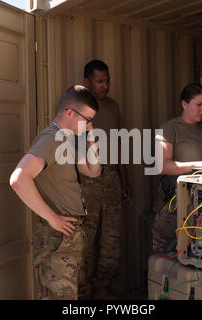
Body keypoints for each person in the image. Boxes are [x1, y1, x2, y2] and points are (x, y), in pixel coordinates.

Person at [9, 85, 101, 300]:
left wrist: (90, 138)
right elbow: (18, 179)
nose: (89, 124)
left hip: (68, 237)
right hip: (57, 238)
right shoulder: (51, 139)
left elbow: (93, 171)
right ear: (69, 112)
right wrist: (53, 219)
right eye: (86, 119)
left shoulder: (66, 139)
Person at [152, 83, 202, 254]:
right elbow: (161, 166)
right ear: (184, 104)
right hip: (173, 205)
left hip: (201, 205)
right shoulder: (169, 129)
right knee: (165, 257)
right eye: (198, 105)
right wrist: (196, 165)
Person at [78, 60, 131, 300]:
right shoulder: (76, 107)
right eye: (100, 81)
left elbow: (119, 144)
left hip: (111, 177)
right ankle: (81, 292)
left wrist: (124, 179)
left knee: (112, 237)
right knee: (85, 239)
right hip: (86, 180)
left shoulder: (112, 107)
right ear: (87, 82)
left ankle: (103, 288)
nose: (105, 85)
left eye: (107, 80)